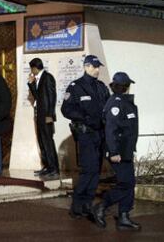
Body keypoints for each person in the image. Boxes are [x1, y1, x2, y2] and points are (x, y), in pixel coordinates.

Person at [61, 54, 110, 219]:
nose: (97, 70)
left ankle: (87, 204)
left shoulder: (102, 87)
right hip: (86, 133)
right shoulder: (76, 86)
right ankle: (77, 205)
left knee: (96, 171)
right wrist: (84, 117)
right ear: (86, 66)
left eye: (98, 67)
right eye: (94, 67)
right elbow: (66, 110)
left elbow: (108, 106)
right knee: (88, 170)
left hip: (100, 134)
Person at [92, 72, 141, 231]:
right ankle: (101, 206)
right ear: (126, 87)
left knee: (129, 183)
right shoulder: (115, 103)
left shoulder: (124, 102)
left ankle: (124, 217)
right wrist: (113, 152)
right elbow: (111, 129)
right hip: (118, 151)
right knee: (126, 183)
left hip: (125, 150)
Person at [27, 58, 59, 177]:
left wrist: (50, 115)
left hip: (46, 116)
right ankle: (47, 166)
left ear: (35, 68)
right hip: (39, 115)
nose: (31, 71)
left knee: (48, 142)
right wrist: (31, 84)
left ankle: (54, 168)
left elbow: (52, 97)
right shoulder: (38, 79)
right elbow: (37, 97)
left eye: (31, 68)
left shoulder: (48, 77)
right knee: (42, 142)